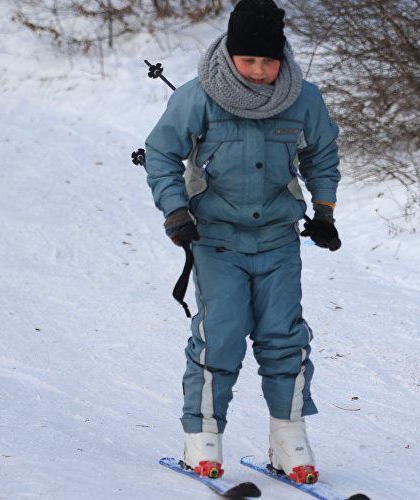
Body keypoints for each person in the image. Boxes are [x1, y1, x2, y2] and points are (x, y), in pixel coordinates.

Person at [144, 0, 342, 485]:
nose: (258, 70)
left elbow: (322, 155)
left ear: (283, 58)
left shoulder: (304, 99)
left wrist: (324, 212)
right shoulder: (198, 97)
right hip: (216, 240)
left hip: (278, 240)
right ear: (230, 54)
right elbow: (160, 154)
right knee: (222, 335)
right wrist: (176, 211)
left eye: (268, 61)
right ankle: (203, 440)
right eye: (248, 59)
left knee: (285, 338)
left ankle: (288, 437)